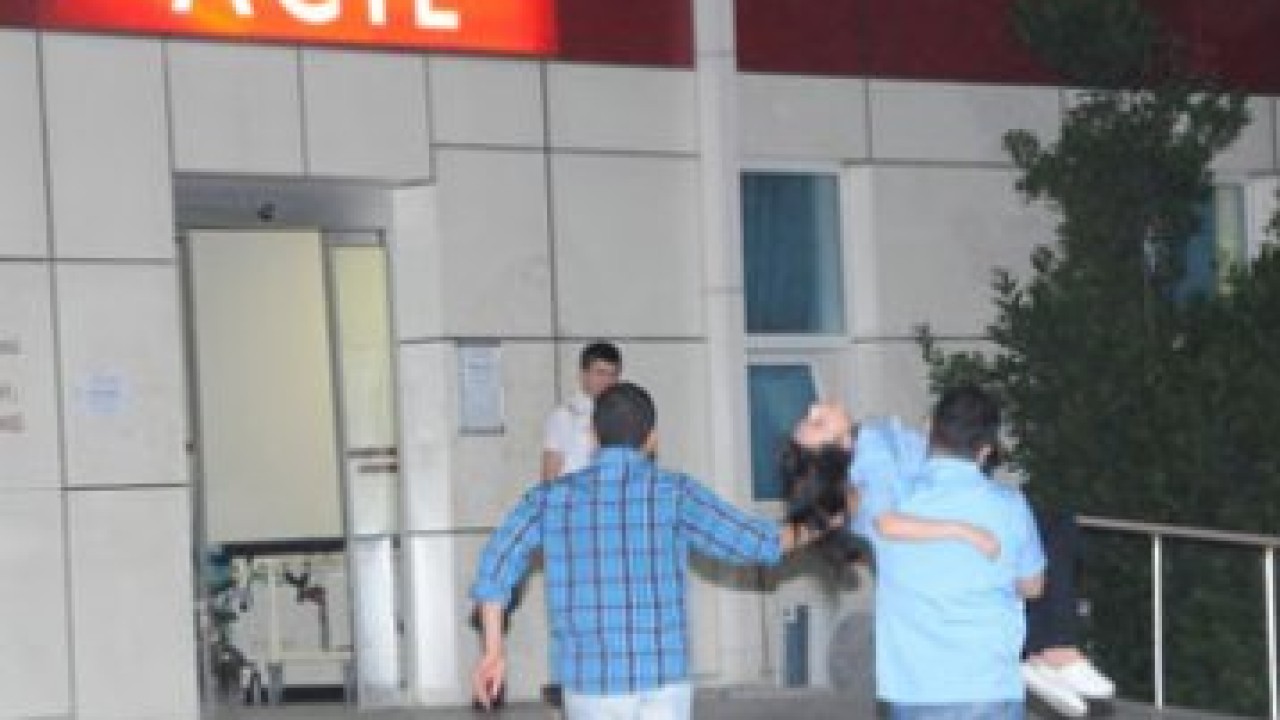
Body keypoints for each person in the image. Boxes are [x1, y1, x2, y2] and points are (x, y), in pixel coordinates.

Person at [469, 382, 842, 719]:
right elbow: (757, 542)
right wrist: (828, 520)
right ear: (651, 439)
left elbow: (495, 566)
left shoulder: (549, 499)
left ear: (593, 435)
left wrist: (493, 651)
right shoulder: (675, 493)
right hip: (663, 679)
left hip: (590, 681)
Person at [793, 402, 1115, 717]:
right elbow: (885, 524)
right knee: (1046, 534)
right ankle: (1051, 648)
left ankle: (1040, 651)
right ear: (842, 444)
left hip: (945, 477)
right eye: (816, 423)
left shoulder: (868, 442)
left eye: (811, 414)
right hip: (939, 499)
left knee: (1035, 544)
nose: (814, 409)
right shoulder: (871, 459)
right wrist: (963, 530)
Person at [536, 341, 622, 709]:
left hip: (611, 529)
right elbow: (550, 474)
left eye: (613, 374)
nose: (606, 381)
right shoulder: (564, 417)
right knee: (567, 612)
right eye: (600, 372)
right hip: (572, 529)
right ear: (584, 374)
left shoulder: (623, 416)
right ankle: (563, 690)